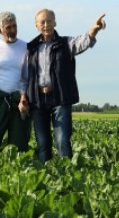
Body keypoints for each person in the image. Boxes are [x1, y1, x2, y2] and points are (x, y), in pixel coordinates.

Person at [21, 9, 106, 162]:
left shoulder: (66, 43)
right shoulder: (30, 48)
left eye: (49, 21)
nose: (46, 24)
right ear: (36, 26)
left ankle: (66, 175)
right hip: (38, 100)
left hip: (59, 98)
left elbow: (82, 42)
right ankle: (46, 176)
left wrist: (94, 30)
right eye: (42, 22)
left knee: (62, 141)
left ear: (55, 23)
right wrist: (23, 97)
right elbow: (24, 76)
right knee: (43, 144)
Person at [0, 11, 32, 152]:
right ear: (0, 30)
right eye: (8, 27)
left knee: (19, 143)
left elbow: (30, 76)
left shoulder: (26, 47)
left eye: (14, 26)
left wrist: (25, 97)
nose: (13, 30)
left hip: (20, 101)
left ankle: (17, 171)